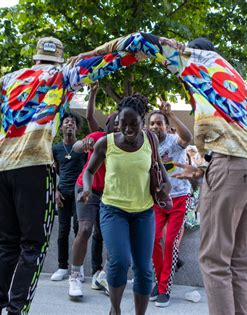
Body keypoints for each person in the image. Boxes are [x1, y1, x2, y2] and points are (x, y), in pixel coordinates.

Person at [0, 36, 141, 314]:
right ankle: (17, 310)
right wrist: (137, 52)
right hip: (34, 165)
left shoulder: (11, 78)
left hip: (0, 168)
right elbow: (111, 60)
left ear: (35, 58)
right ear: (59, 58)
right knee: (32, 247)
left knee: (6, 246)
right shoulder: (64, 74)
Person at [70, 32, 247, 315]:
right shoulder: (236, 80)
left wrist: (90, 55)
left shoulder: (195, 60)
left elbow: (140, 40)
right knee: (238, 261)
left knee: (215, 260)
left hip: (231, 164)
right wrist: (203, 168)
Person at [80, 94, 171, 315]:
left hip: (144, 212)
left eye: (134, 124)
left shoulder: (151, 140)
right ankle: (116, 309)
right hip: (113, 210)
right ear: (117, 121)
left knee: (143, 269)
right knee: (119, 262)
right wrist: (86, 188)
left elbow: (161, 172)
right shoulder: (106, 142)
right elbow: (89, 171)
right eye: (124, 123)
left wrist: (164, 189)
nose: (128, 129)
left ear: (142, 120)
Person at [67, 85, 114, 299]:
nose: (119, 127)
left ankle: (102, 275)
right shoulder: (98, 137)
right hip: (87, 188)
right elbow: (77, 146)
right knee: (85, 229)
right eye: (115, 123)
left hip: (110, 194)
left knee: (111, 236)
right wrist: (83, 143)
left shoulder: (128, 144)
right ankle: (75, 276)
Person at [147, 99, 192, 307]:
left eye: (160, 123)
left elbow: (188, 137)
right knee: (154, 240)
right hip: (158, 200)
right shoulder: (145, 144)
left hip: (180, 197)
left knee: (171, 242)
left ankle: (164, 288)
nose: (156, 126)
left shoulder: (174, 141)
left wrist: (171, 114)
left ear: (166, 126)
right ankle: (158, 281)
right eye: (153, 123)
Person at [51, 112, 86, 281]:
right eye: (66, 122)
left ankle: (78, 267)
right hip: (63, 194)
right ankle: (62, 267)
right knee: (62, 231)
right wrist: (56, 191)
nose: (69, 125)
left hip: (79, 194)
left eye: (73, 123)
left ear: (77, 127)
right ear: (61, 127)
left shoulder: (83, 148)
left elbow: (89, 171)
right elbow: (55, 171)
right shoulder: (56, 148)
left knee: (79, 230)